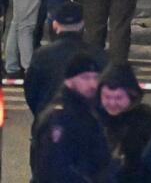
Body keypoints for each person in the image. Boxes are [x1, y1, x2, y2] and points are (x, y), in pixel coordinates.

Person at [31, 52, 111, 183]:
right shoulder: (60, 117)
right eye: (85, 78)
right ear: (69, 80)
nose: (92, 84)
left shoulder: (88, 110)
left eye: (95, 78)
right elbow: (55, 168)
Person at [25, 1, 107, 118]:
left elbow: (31, 91)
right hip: (87, 120)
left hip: (50, 118)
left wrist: (41, 114)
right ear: (82, 24)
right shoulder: (98, 55)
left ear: (55, 25)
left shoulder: (41, 55)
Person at [97, 63, 151, 182]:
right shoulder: (92, 119)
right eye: (107, 97)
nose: (112, 103)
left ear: (131, 96)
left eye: (118, 98)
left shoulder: (150, 120)